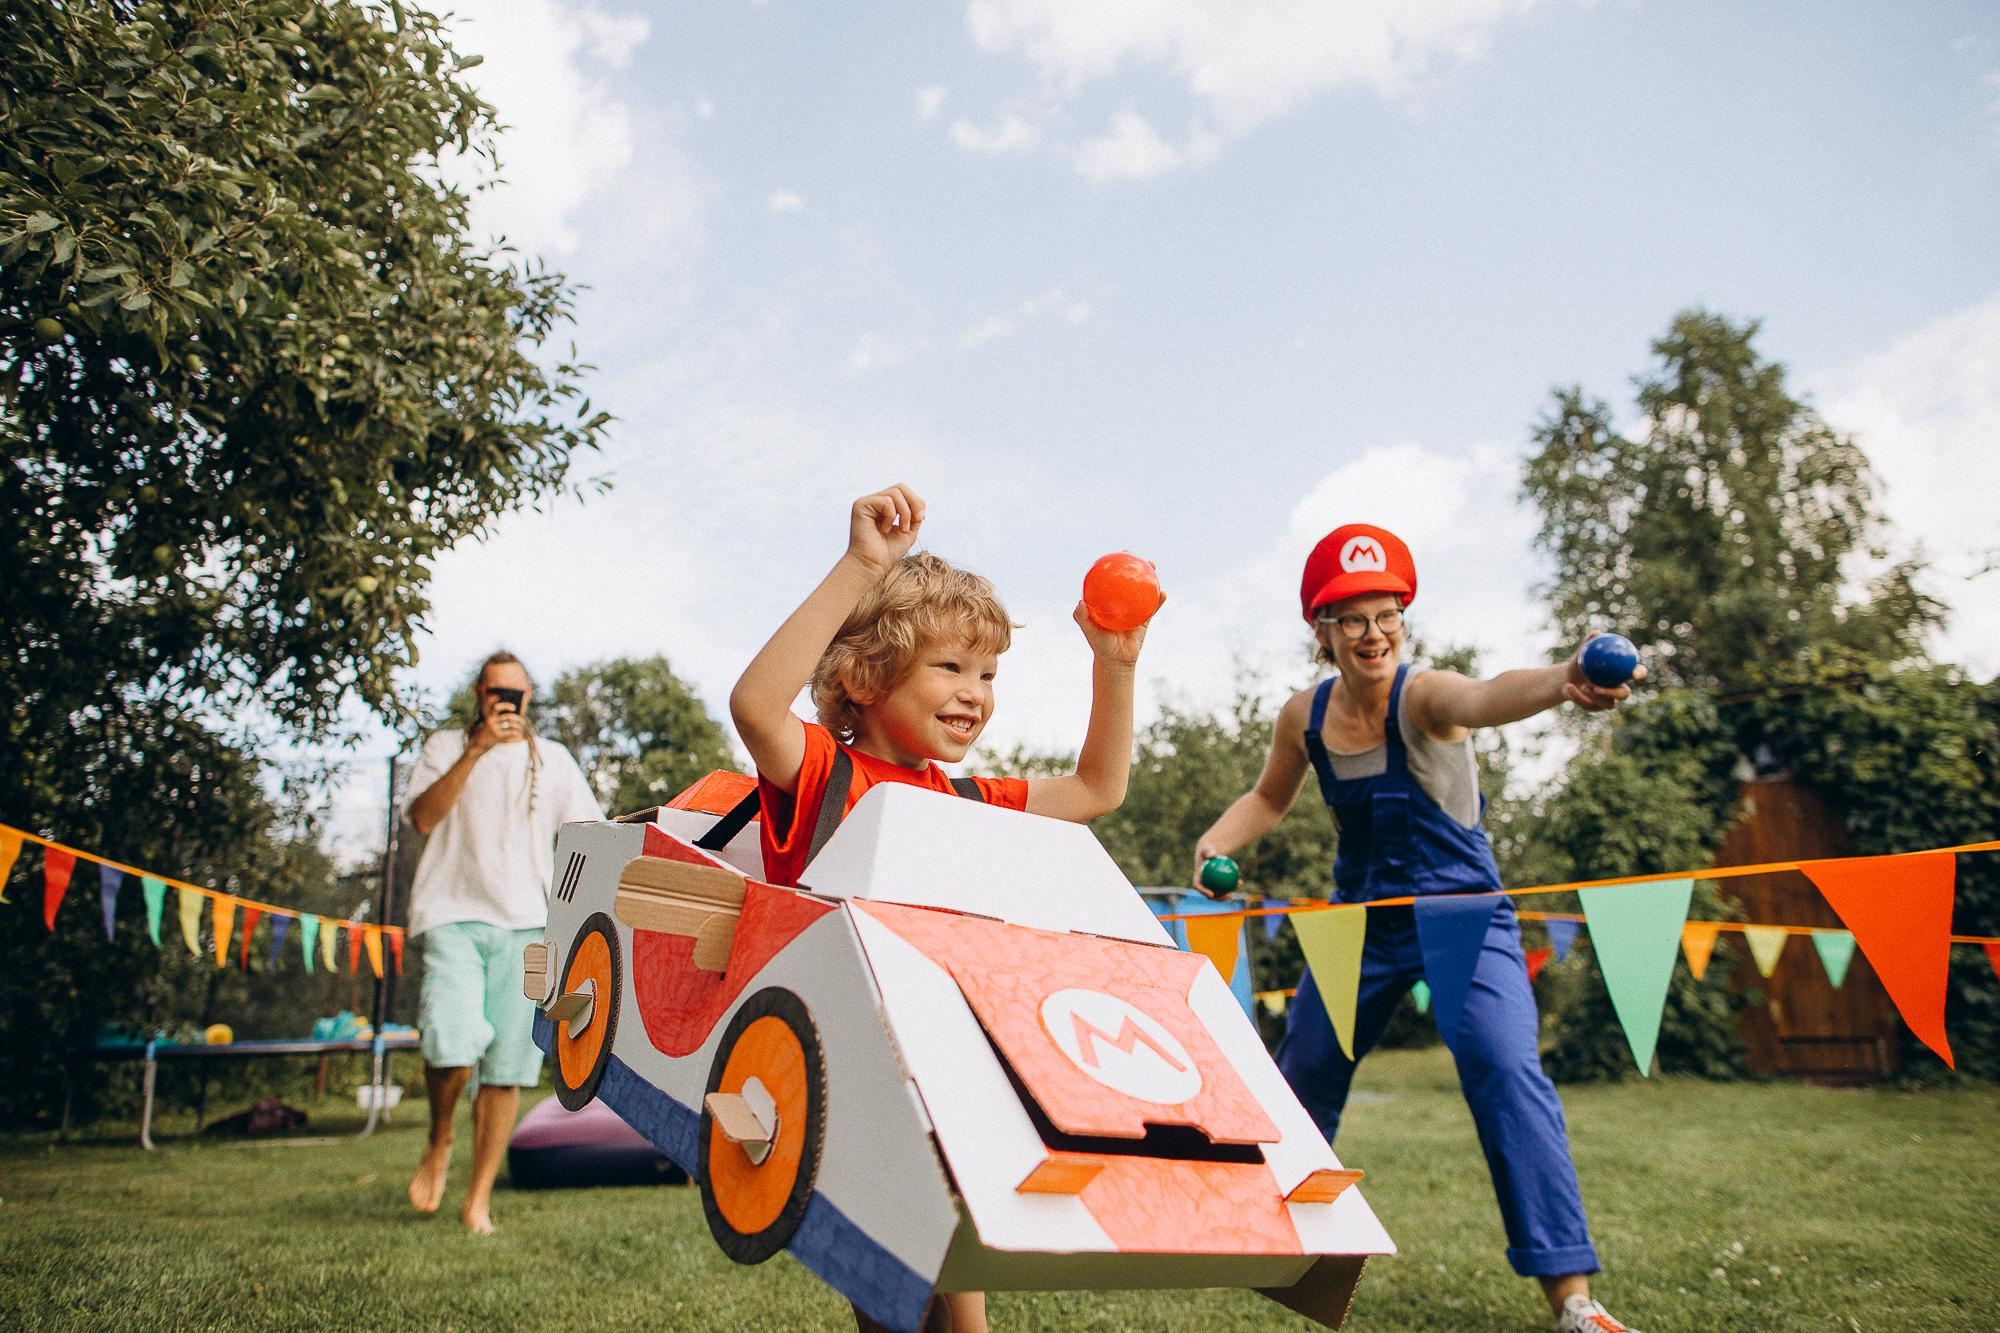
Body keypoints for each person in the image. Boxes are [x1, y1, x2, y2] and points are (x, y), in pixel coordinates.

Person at [1193, 524, 1645, 1333]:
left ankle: (1574, 1301)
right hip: (1360, 922)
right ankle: (1258, 1241)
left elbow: (1487, 696)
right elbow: (1268, 797)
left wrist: (1566, 677)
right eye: (1353, 618)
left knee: (1507, 1073)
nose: (1375, 633)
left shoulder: (1426, 695)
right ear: (1321, 630)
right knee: (1300, 1072)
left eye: (1388, 613)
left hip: (1462, 914)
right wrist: (1217, 841)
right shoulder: (1304, 715)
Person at [729, 484, 1154, 1333]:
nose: (976, 692)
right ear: (863, 675)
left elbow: (1098, 788)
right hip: (843, 1058)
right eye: (951, 666)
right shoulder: (822, 772)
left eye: (988, 672)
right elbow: (753, 706)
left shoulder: (965, 797)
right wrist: (860, 567)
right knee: (890, 1282)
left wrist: (1115, 663)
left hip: (941, 1061)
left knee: (952, 1267)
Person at [402, 650, 604, 1233]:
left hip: (527, 925)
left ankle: (477, 1200)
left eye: (518, 695)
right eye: (498, 694)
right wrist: (476, 750)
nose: (508, 704)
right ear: (480, 695)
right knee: (451, 1042)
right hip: (452, 913)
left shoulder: (555, 761)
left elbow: (588, 835)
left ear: (530, 698)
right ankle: (440, 1138)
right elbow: (421, 819)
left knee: (507, 1069)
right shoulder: (445, 747)